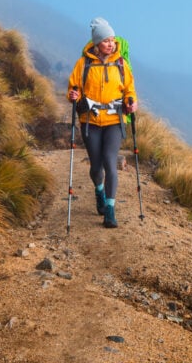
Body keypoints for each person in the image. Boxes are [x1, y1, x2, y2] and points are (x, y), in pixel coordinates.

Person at [67, 17, 138, 228]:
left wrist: (131, 102)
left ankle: (110, 209)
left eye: (112, 40)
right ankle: (99, 190)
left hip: (115, 120)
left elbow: (129, 89)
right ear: (97, 43)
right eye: (106, 40)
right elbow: (74, 88)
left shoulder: (121, 64)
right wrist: (72, 95)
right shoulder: (84, 64)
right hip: (90, 120)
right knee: (96, 166)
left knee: (109, 161)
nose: (110, 44)